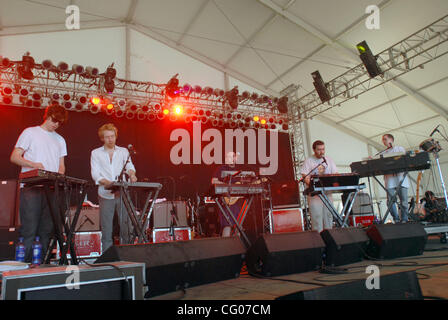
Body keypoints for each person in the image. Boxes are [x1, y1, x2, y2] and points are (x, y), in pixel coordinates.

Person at [10, 103, 68, 263]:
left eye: (60, 123)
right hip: (32, 188)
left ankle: (43, 266)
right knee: (29, 229)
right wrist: (34, 165)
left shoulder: (60, 139)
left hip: (50, 188)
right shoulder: (30, 132)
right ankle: (24, 268)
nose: (56, 124)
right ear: (47, 116)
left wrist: (60, 175)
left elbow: (61, 165)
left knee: (47, 230)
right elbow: (15, 157)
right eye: (55, 120)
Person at [90, 123, 137, 252]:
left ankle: (127, 255)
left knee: (126, 227)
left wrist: (132, 175)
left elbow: (129, 167)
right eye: (107, 137)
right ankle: (106, 258)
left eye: (112, 136)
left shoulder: (123, 151)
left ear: (116, 136)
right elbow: (95, 174)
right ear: (102, 138)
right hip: (105, 194)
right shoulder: (96, 153)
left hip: (122, 194)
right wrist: (109, 183)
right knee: (107, 230)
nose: (110, 139)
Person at [300, 140, 338, 233]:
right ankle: (319, 239)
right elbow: (305, 176)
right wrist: (313, 186)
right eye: (319, 149)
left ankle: (330, 237)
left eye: (323, 149)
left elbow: (335, 173)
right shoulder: (309, 161)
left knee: (328, 216)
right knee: (317, 217)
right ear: (314, 150)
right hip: (315, 194)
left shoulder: (329, 160)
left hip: (327, 193)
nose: (322, 152)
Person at [211, 151, 246, 237]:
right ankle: (225, 247)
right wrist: (226, 186)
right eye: (229, 157)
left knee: (238, 225)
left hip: (237, 201)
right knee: (227, 225)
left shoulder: (239, 170)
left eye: (233, 156)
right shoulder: (221, 168)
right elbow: (213, 181)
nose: (231, 159)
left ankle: (238, 248)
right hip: (226, 200)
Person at [381, 134, 409, 223]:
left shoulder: (399, 149)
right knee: (390, 201)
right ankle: (396, 219)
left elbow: (404, 159)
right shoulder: (383, 153)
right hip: (389, 180)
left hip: (401, 179)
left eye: (385, 139)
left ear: (391, 140)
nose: (384, 141)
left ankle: (404, 219)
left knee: (404, 201)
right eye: (383, 140)